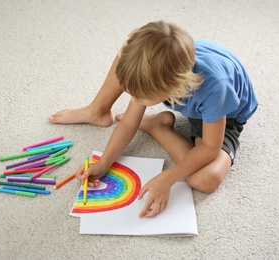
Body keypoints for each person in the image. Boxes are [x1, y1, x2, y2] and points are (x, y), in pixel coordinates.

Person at [49, 21, 258, 218]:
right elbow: (130, 122)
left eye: (139, 97)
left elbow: (210, 148)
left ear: (173, 87)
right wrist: (104, 163)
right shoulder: (159, 74)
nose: (134, 99)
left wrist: (168, 177)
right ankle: (99, 110)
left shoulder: (215, 89)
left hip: (226, 116)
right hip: (190, 92)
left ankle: (159, 127)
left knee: (204, 179)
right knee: (133, 51)